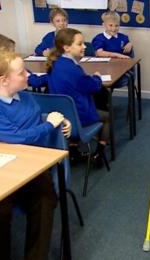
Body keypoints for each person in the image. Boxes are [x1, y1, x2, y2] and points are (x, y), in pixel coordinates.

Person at [0, 51, 71, 260]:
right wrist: (48, 125)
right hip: (2, 172)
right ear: (3, 80)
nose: (28, 75)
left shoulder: (26, 96)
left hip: (34, 169)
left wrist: (57, 120)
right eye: (21, 72)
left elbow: (32, 124)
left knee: (46, 199)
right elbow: (17, 139)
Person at [46, 27, 109, 164]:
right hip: (78, 118)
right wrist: (97, 77)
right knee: (106, 117)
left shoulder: (54, 64)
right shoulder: (74, 70)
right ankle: (100, 152)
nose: (84, 46)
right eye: (80, 44)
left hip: (61, 116)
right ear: (67, 48)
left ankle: (73, 151)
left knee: (75, 107)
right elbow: (93, 86)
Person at [0, 34, 46, 102]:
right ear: (4, 53)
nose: (14, 54)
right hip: (17, 102)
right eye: (12, 51)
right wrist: (51, 75)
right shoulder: (11, 68)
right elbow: (36, 82)